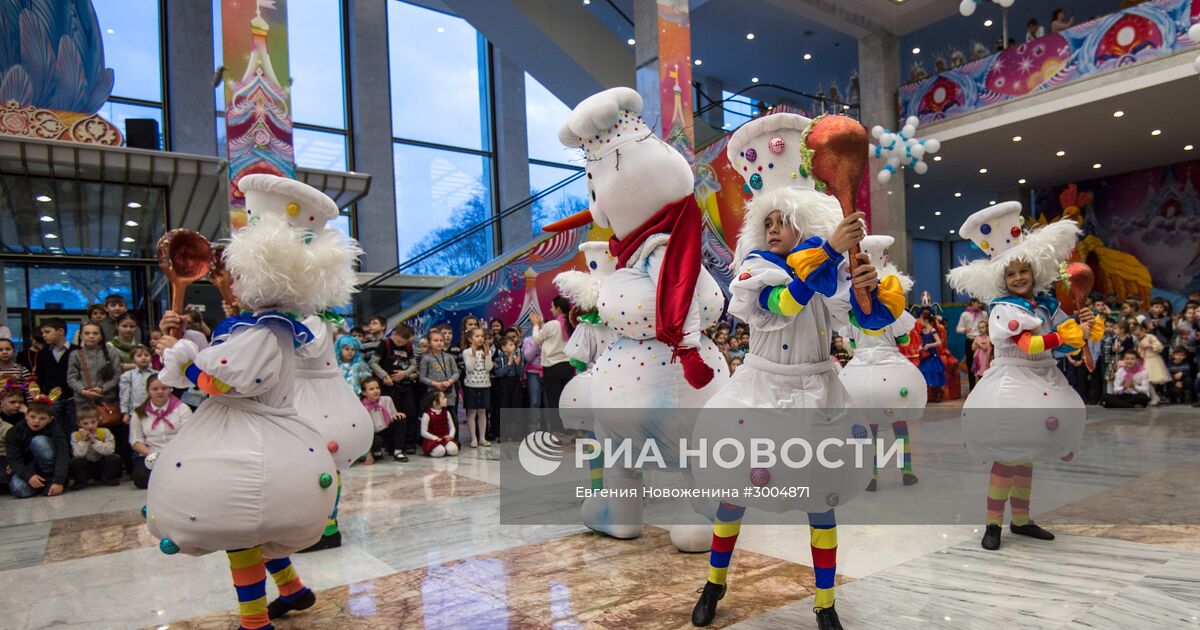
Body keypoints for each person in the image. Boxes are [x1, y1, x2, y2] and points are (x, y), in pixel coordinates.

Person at [691, 112, 904, 630]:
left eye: (782, 220)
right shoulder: (753, 273)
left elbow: (862, 322)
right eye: (766, 221)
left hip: (818, 393)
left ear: (801, 225)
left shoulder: (826, 274)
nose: (773, 228)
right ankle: (714, 584)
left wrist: (865, 288)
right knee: (732, 495)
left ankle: (825, 603)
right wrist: (830, 250)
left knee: (822, 502)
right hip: (759, 395)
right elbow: (785, 304)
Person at [150, 174, 342, 630]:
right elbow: (224, 355)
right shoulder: (264, 326)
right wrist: (182, 343)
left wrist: (186, 366)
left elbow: (229, 384)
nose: (228, 278)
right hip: (255, 435)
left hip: (251, 437)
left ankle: (254, 621)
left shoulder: (264, 331)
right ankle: (294, 592)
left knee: (242, 531)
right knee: (254, 533)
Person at [947, 202, 1094, 553]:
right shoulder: (1003, 309)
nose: (1017, 278)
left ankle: (1023, 519)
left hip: (1044, 380)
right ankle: (993, 523)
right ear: (1002, 280)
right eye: (1010, 274)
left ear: (1035, 271)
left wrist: (1084, 332)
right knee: (1007, 454)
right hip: (1012, 383)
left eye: (1022, 271)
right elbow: (1028, 343)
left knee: (1025, 456)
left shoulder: (1046, 305)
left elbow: (1056, 348)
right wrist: (1066, 337)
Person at [129, 374, 191, 489]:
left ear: (170, 389)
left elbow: (188, 435)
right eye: (155, 389)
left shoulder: (182, 408)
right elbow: (136, 440)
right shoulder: (139, 413)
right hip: (152, 454)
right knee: (141, 479)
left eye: (164, 388)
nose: (160, 392)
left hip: (177, 453)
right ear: (148, 391)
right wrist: (151, 455)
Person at [66, 321, 122, 447]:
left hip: (106, 402)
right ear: (81, 336)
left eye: (95, 333)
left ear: (101, 336)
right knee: (85, 439)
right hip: (84, 404)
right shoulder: (75, 354)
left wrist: (102, 389)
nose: (91, 336)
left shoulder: (111, 353)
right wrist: (84, 391)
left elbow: (117, 376)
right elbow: (71, 378)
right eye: (87, 333)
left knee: (107, 439)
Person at [5, 393, 69, 498]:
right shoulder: (14, 432)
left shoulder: (56, 429)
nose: (36, 421)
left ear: (50, 419)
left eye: (42, 418)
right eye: (32, 417)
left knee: (39, 441)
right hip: (30, 468)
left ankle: (51, 483)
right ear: (26, 415)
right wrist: (28, 476)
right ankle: (43, 486)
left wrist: (59, 481)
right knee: (18, 488)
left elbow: (63, 454)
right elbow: (14, 459)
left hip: (51, 470)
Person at [371, 324, 418, 460]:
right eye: (398, 342)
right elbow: (373, 363)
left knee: (410, 412)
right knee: (394, 415)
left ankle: (408, 443)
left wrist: (405, 373)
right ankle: (393, 445)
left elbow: (413, 365)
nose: (401, 344)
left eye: (404, 342)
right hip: (389, 385)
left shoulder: (408, 347)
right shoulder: (385, 344)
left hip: (405, 384)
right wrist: (384, 375)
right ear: (394, 334)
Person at [530, 296, 574, 410]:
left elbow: (537, 339)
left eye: (552, 307)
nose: (551, 309)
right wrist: (541, 326)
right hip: (568, 366)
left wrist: (535, 325)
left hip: (552, 367)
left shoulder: (552, 324)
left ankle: (557, 427)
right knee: (567, 400)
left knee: (554, 400)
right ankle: (568, 426)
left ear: (558, 308)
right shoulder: (571, 323)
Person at [34, 318, 75, 430]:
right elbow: (40, 377)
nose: (44, 335)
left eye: (47, 332)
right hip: (51, 400)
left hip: (73, 398)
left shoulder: (77, 351)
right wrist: (41, 394)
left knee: (74, 429)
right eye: (43, 333)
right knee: (55, 429)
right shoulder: (43, 354)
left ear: (60, 331)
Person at [67, 404, 121, 489]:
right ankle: (81, 481)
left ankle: (108, 478)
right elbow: (77, 455)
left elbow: (110, 451)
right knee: (76, 462)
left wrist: (94, 441)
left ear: (98, 420)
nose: (90, 426)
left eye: (93, 422)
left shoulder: (105, 432)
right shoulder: (75, 436)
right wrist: (84, 441)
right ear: (78, 423)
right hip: (86, 465)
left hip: (101, 463)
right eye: (85, 423)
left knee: (114, 458)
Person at [360, 377, 404, 465]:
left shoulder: (387, 399)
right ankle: (376, 451)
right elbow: (362, 431)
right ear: (364, 393)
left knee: (401, 419)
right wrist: (368, 454)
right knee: (377, 440)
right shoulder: (361, 406)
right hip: (372, 435)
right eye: (371, 389)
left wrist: (396, 415)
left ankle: (397, 452)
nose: (376, 391)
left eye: (377, 388)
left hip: (387, 430)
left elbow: (393, 415)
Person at [461, 328, 492, 448]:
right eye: (477, 336)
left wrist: (488, 354)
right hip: (471, 386)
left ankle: (482, 438)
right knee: (472, 412)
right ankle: (473, 438)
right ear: (470, 339)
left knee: (482, 411)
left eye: (482, 336)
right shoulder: (467, 352)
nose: (480, 338)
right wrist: (473, 354)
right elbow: (469, 368)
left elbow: (489, 368)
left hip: (485, 385)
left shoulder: (486, 351)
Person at [491, 336, 524, 441]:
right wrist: (509, 364)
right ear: (503, 348)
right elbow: (499, 373)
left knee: (516, 407)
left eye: (513, 344)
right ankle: (502, 434)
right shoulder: (498, 359)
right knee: (504, 407)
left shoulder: (517, 357)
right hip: (504, 384)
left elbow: (521, 373)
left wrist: (518, 365)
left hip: (515, 383)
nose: (513, 347)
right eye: (510, 345)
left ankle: (518, 434)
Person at [119, 346, 157, 423]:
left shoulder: (157, 374)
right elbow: (124, 395)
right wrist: (125, 413)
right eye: (139, 356)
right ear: (133, 360)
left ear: (151, 358)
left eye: (146, 355)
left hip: (155, 409)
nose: (143, 358)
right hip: (136, 411)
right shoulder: (128, 375)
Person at [957, 297, 988, 390]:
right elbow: (958, 328)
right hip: (970, 341)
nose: (978, 304)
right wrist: (964, 330)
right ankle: (972, 389)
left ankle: (982, 389)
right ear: (972, 302)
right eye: (975, 302)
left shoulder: (984, 314)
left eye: (979, 302)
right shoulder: (965, 314)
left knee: (983, 365)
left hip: (982, 341)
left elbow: (987, 325)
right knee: (971, 366)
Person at [1134, 323, 1169, 404]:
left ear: (1144, 330)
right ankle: (1153, 396)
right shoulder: (1137, 340)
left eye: (1139, 333)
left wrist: (1149, 345)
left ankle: (1155, 397)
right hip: (1143, 360)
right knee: (1145, 379)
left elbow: (1160, 347)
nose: (1138, 336)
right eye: (1136, 335)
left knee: (1149, 379)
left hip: (1153, 360)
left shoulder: (1150, 337)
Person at [917, 309, 946, 402]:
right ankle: (929, 395)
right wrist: (920, 347)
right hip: (924, 357)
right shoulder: (922, 331)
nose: (919, 321)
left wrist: (929, 345)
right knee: (924, 375)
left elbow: (938, 342)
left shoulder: (932, 330)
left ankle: (938, 392)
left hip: (932, 356)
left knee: (934, 375)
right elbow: (921, 342)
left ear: (925, 320)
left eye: (921, 320)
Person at [419, 390, 458, 458]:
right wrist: (435, 438)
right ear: (435, 403)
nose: (446, 399)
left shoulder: (446, 413)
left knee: (453, 450)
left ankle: (444, 448)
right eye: (443, 398)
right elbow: (423, 432)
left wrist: (451, 435)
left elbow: (452, 427)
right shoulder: (427, 415)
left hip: (444, 438)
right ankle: (436, 449)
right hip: (432, 440)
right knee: (439, 452)